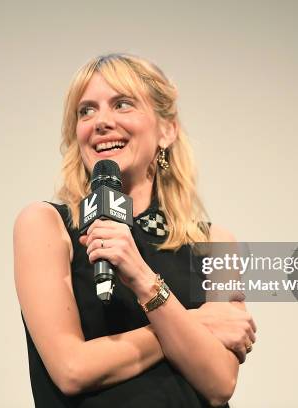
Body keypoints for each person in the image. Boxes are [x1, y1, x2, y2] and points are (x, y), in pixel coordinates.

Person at [14, 53, 257, 407]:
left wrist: (144, 279)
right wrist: (194, 323)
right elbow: (72, 369)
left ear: (166, 129)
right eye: (86, 110)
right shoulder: (46, 224)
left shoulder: (215, 243)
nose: (101, 122)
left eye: (122, 104)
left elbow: (219, 384)